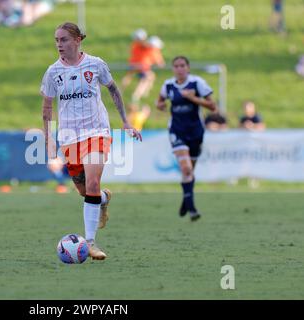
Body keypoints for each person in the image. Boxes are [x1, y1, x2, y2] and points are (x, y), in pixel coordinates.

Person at [41, 22, 142, 260]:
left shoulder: (96, 64)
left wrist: (125, 122)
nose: (59, 45)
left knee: (93, 183)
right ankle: (105, 199)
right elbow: (46, 106)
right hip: (69, 137)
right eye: (56, 40)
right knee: (86, 192)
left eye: (64, 39)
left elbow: (114, 90)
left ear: (77, 40)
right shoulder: (53, 72)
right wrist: (48, 139)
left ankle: (90, 242)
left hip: (97, 132)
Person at [156, 56, 216, 221]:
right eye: (176, 66)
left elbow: (213, 106)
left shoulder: (197, 83)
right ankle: (192, 209)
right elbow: (159, 100)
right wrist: (160, 105)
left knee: (190, 171)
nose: (179, 69)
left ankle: (185, 199)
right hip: (177, 130)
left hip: (196, 131)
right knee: (187, 169)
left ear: (188, 68)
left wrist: (193, 98)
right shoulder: (168, 85)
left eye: (182, 65)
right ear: (173, 69)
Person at [121, 30, 165, 106]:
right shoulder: (152, 50)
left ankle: (120, 91)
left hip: (133, 64)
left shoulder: (137, 45)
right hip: (143, 67)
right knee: (146, 79)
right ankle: (136, 96)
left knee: (130, 77)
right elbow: (160, 63)